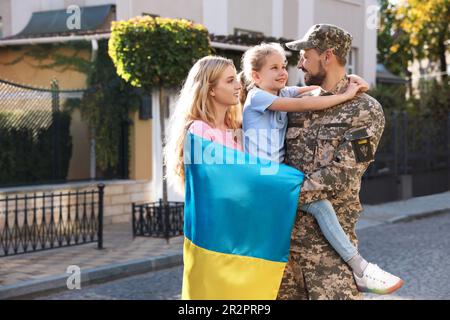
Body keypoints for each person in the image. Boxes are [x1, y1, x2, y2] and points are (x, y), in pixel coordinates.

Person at [239, 42, 403, 297]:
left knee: (319, 208)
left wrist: (354, 84)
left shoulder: (284, 93)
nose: (286, 70)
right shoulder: (258, 96)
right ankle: (361, 268)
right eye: (275, 68)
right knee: (319, 207)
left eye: (285, 65)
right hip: (266, 179)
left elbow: (314, 90)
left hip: (279, 179)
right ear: (256, 76)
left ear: (326, 57)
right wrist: (346, 96)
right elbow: (307, 104)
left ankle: (360, 268)